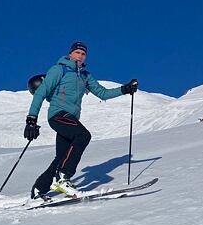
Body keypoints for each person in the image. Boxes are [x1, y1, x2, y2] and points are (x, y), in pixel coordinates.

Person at [24, 41, 138, 201]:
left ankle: (39, 188)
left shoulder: (85, 76)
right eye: (77, 52)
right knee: (83, 136)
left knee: (62, 156)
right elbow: (40, 93)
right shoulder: (59, 69)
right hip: (58, 114)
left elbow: (102, 93)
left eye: (83, 54)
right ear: (70, 54)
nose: (80, 56)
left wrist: (124, 89)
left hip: (70, 118)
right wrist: (31, 119)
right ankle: (63, 178)